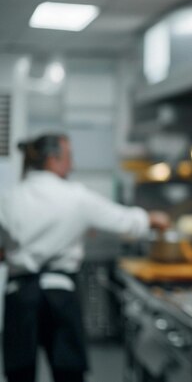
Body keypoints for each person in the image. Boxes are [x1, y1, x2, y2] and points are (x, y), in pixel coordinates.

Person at [0, 133, 170, 382]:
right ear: (52, 159)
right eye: (69, 157)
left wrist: (18, 252)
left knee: (20, 374)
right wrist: (154, 219)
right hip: (60, 294)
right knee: (69, 373)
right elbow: (122, 219)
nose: (73, 164)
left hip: (19, 293)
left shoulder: (9, 198)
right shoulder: (76, 196)